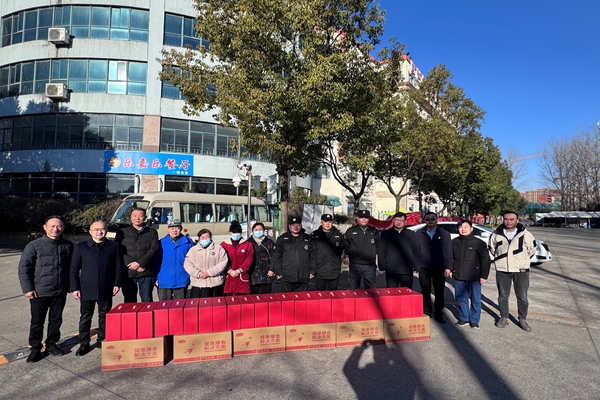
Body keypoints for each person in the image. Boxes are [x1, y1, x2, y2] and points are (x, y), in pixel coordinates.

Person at [18, 215, 73, 363]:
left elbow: (71, 268)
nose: (56, 229)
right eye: (52, 226)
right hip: (39, 292)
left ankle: (51, 344)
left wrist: (71, 286)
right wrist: (28, 288)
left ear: (63, 227)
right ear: (45, 227)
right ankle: (35, 348)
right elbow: (24, 268)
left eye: (59, 226)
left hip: (60, 291)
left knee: (56, 319)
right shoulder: (33, 246)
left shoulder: (67, 245)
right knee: (37, 321)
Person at [70, 220, 123, 356]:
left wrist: (117, 283)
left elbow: (118, 267)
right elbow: (74, 269)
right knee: (85, 316)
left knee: (105, 315)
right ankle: (84, 343)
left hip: (106, 286)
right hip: (86, 288)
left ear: (106, 230)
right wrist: (75, 288)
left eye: (102, 229)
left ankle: (102, 339)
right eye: (96, 229)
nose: (99, 232)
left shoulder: (114, 246)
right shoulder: (81, 247)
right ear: (90, 232)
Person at [489, 210, 537, 332]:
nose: (508, 222)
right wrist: (501, 261)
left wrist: (521, 261)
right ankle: (504, 318)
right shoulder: (496, 234)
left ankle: (522, 319)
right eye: (506, 219)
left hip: (521, 271)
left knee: (522, 297)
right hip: (502, 270)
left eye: (512, 219)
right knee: (503, 296)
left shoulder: (526, 234)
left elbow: (532, 250)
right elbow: (492, 248)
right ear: (503, 220)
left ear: (517, 220)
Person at [451, 220, 491, 329]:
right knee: (461, 298)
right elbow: (450, 257)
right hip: (459, 275)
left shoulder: (479, 243)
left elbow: (485, 260)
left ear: (471, 229)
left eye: (465, 227)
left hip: (474, 277)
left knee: (476, 299)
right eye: (460, 227)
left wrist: (484, 275)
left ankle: (474, 320)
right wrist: (450, 269)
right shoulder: (454, 242)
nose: (463, 229)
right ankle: (464, 317)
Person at [115, 208, 159, 303]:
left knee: (147, 301)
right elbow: (119, 250)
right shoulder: (122, 232)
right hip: (128, 272)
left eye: (140, 216)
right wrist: (132, 264)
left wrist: (140, 263)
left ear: (145, 217)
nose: (137, 218)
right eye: (134, 216)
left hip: (146, 271)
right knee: (129, 302)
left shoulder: (152, 232)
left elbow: (154, 249)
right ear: (130, 217)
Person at [415, 212, 453, 323]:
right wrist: (416, 265)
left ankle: (438, 313)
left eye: (433, 219)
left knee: (439, 291)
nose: (430, 221)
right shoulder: (418, 233)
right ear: (424, 220)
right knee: (425, 290)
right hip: (424, 266)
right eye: (428, 219)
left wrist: (448, 267)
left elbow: (448, 251)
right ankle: (427, 311)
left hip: (439, 267)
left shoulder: (444, 234)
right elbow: (416, 251)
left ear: (437, 220)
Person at [272, 216, 317, 292]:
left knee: (302, 298)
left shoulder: (308, 238)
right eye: (293, 225)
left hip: (303, 276)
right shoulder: (282, 239)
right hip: (287, 276)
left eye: (298, 225)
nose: (296, 227)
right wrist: (278, 272)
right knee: (287, 298)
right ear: (289, 226)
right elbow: (277, 256)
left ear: (301, 226)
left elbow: (313, 256)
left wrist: (313, 271)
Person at [377, 212, 420, 288]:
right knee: (392, 292)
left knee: (406, 292)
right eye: (397, 220)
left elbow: (416, 250)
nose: (399, 222)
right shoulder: (386, 234)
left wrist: (416, 266)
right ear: (393, 221)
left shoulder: (411, 234)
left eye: (401, 220)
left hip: (407, 268)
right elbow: (381, 250)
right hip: (391, 268)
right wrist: (382, 266)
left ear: (405, 221)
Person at [155, 219, 195, 300]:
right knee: (164, 305)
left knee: (180, 304)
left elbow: (193, 260)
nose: (174, 230)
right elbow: (156, 261)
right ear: (168, 229)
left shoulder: (188, 242)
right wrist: (155, 277)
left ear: (181, 229)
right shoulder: (161, 243)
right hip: (165, 278)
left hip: (182, 278)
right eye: (172, 228)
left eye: (177, 228)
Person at [184, 229, 229, 298]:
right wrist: (198, 273)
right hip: (198, 284)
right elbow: (187, 264)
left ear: (211, 237)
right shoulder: (193, 250)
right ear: (199, 238)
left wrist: (209, 273)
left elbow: (223, 263)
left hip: (215, 284)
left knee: (215, 303)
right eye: (203, 237)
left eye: (207, 237)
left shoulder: (219, 249)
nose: (205, 239)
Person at [344, 210, 379, 289]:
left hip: (369, 265)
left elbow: (378, 245)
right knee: (353, 289)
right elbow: (346, 246)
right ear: (357, 218)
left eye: (366, 218)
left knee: (371, 290)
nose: (364, 219)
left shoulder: (374, 231)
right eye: (361, 217)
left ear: (369, 219)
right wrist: (352, 254)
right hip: (355, 265)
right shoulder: (351, 231)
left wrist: (372, 253)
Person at [311, 213, 345, 291]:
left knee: (333, 295)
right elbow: (312, 253)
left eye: (329, 222)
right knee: (320, 295)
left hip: (334, 270)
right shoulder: (314, 235)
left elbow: (342, 250)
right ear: (321, 222)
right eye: (325, 221)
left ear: (332, 222)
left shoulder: (339, 235)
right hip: (320, 271)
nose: (327, 224)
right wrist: (312, 269)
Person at [221, 222, 254, 295]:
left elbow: (249, 259)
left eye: (238, 232)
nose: (236, 234)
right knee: (228, 299)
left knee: (242, 299)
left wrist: (240, 270)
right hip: (229, 276)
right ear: (230, 233)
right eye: (234, 232)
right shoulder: (224, 244)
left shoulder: (248, 244)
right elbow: (222, 260)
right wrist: (229, 270)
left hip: (242, 276)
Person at [248, 222, 276, 294]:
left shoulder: (269, 242)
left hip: (267, 274)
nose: (258, 231)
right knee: (254, 297)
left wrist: (272, 269)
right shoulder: (248, 243)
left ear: (264, 230)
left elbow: (274, 257)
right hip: (253, 275)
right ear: (252, 231)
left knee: (266, 296)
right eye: (256, 229)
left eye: (260, 229)